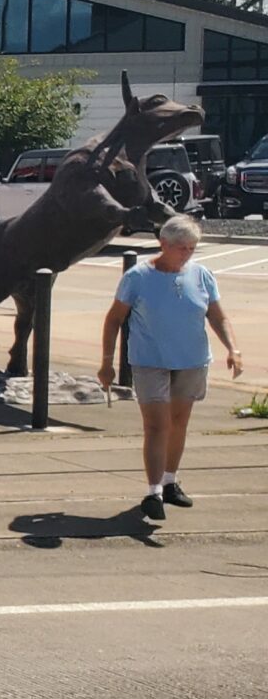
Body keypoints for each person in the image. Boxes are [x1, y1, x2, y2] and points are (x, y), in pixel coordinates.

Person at [98, 215, 244, 522]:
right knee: (156, 426)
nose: (187, 253)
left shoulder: (202, 274)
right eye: (181, 248)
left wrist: (233, 348)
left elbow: (218, 317)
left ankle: (169, 481)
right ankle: (153, 492)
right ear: (162, 243)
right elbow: (113, 320)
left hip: (191, 360)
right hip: (150, 361)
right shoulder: (137, 277)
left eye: (192, 248)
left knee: (178, 423)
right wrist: (107, 363)